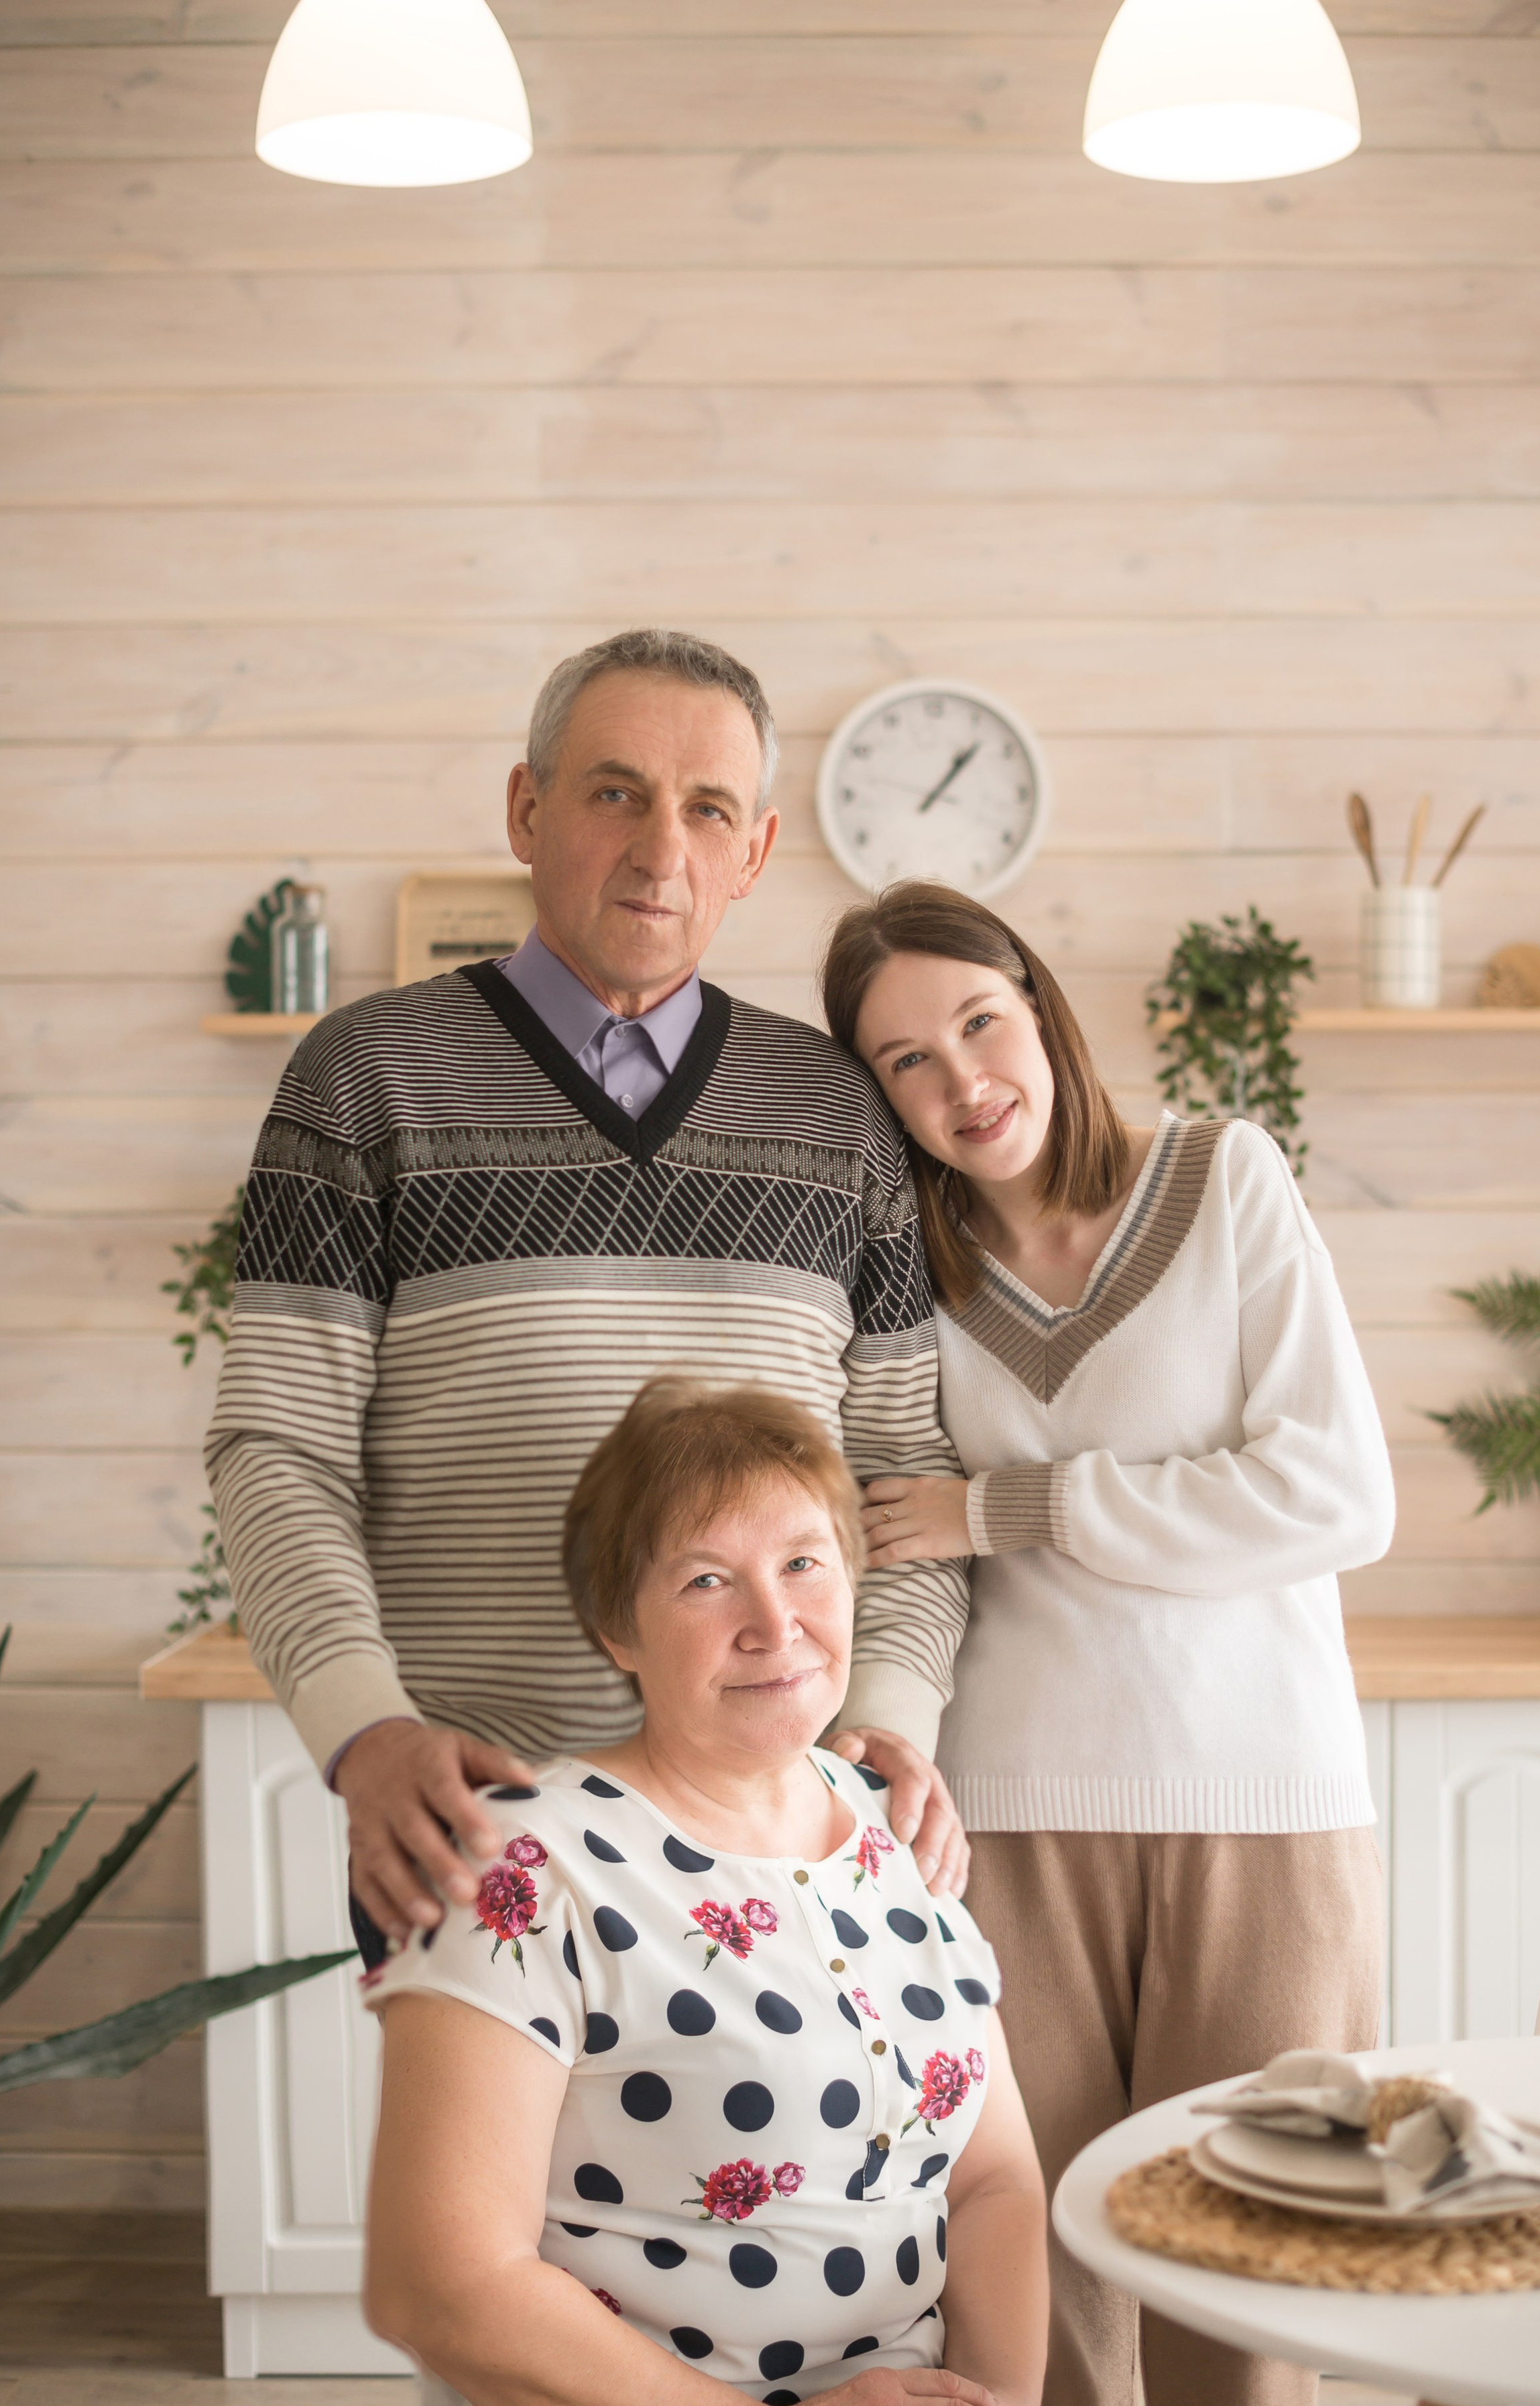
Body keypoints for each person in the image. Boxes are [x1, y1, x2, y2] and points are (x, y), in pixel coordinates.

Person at [361, 1378, 1201, 2406]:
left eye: (806, 1563)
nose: (776, 1622)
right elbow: (436, 2283)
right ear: (618, 1629)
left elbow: (994, 2178)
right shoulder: (519, 1865)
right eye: (706, 1581)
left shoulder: (898, 1834)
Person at [205, 631, 972, 1962]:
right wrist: (365, 1731)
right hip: (482, 1834)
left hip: (787, 1843)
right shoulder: (364, 1080)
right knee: (471, 2186)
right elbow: (277, 1450)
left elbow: (904, 1472)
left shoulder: (840, 1114)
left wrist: (890, 1721)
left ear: (755, 850)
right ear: (526, 809)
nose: (660, 847)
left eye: (707, 807)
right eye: (615, 791)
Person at [820, 883, 1396, 2406]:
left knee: (1246, 2303)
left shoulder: (1226, 1182)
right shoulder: (908, 1270)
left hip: (1259, 1819)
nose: (961, 1085)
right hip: (1010, 1825)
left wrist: (1020, 1504)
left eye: (977, 1025)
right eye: (904, 1063)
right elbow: (889, 1543)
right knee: (1031, 2308)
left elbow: (1332, 1492)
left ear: (1038, 1003)